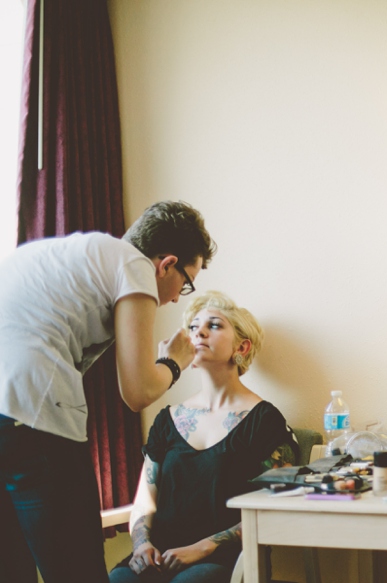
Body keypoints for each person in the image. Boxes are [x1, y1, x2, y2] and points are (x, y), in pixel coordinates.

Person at [0, 201, 216, 583]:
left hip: (8, 416)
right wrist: (174, 361)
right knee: (77, 571)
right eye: (184, 282)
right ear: (165, 264)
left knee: (12, 568)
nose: (174, 298)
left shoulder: (57, 255)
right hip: (34, 416)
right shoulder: (133, 264)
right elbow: (138, 392)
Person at [109, 291, 297, 583]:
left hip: (227, 558)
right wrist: (141, 544)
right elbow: (145, 501)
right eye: (194, 327)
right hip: (157, 556)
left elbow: (275, 504)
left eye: (215, 325)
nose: (199, 332)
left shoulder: (264, 420)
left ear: (242, 346)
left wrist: (202, 547)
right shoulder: (167, 419)